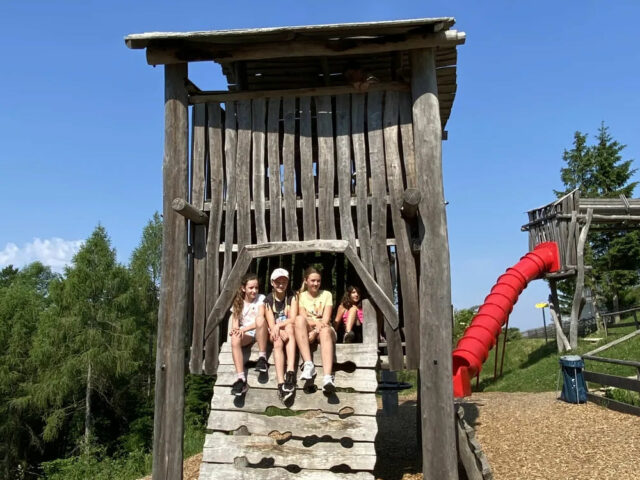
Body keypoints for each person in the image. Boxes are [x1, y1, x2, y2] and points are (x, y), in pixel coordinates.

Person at [294, 266, 336, 393]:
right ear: (306, 281)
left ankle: (327, 378)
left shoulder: (327, 294)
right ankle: (308, 364)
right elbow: (303, 317)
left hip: (324, 330)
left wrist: (315, 331)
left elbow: (326, 319)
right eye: (312, 280)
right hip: (308, 330)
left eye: (318, 281)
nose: (316, 283)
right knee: (299, 320)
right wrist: (313, 326)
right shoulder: (300, 296)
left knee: (325, 331)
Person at [229, 273, 268, 396]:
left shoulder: (261, 298)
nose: (254, 291)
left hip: (259, 331)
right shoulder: (238, 302)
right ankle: (241, 379)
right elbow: (235, 323)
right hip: (248, 335)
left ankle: (262, 357)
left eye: (256, 287)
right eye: (251, 288)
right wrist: (236, 330)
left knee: (260, 320)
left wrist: (243, 329)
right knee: (234, 338)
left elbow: (260, 318)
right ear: (243, 288)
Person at [264, 268, 298, 402]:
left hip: (286, 329)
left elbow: (293, 318)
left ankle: (290, 371)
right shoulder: (268, 300)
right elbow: (271, 323)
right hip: (275, 332)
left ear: (287, 283)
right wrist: (277, 328)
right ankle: (280, 382)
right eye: (278, 282)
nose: (281, 285)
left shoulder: (292, 297)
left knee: (289, 327)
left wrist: (279, 326)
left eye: (284, 282)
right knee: (277, 342)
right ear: (272, 283)